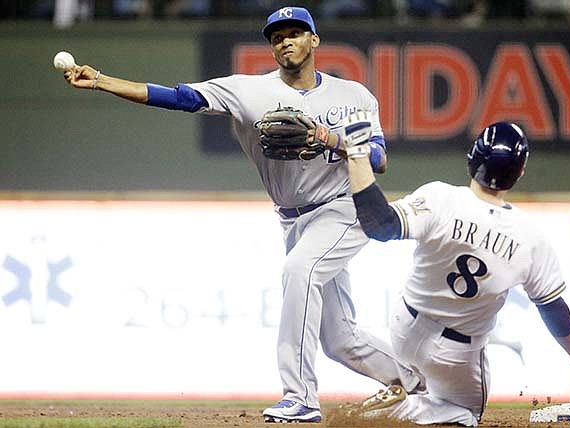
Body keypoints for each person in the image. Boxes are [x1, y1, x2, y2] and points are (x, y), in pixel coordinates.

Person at [62, 5, 424, 424]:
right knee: (339, 338)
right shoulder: (247, 90)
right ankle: (421, 382)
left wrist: (330, 137)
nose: (285, 41)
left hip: (347, 205)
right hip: (293, 217)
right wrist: (102, 81)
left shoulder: (353, 95)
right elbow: (179, 98)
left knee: (300, 271)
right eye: (277, 36)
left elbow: (378, 159)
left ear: (314, 40)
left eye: (295, 33)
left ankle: (300, 397)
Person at [342, 120, 570, 426]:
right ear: (520, 172)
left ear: (472, 159)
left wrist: (356, 156)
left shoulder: (440, 198)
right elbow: (553, 308)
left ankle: (407, 392)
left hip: (404, 327)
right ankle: (399, 409)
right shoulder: (530, 238)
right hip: (455, 354)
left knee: (427, 383)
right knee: (467, 415)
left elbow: (381, 225)